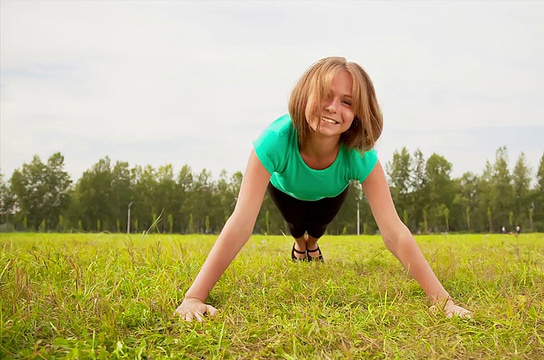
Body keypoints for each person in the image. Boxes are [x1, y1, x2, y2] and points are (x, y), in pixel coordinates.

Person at [175, 57, 472, 321]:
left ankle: (311, 244)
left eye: (347, 102)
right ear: (305, 94)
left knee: (316, 226)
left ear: (358, 113)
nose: (333, 108)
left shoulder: (360, 155)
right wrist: (194, 297)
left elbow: (394, 232)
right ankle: (299, 244)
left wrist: (443, 301)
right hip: (286, 190)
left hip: (331, 192)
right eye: (325, 96)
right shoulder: (274, 140)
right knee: (296, 226)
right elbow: (240, 224)